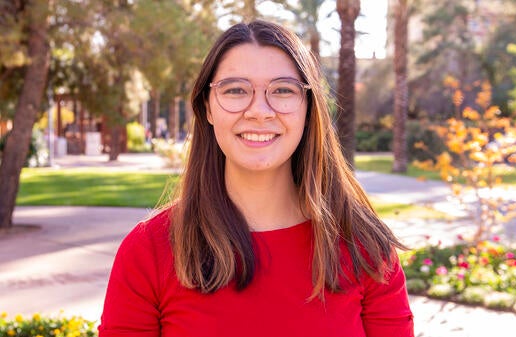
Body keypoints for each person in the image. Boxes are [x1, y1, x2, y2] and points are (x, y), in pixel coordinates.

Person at [98, 20, 414, 337]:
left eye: (282, 90)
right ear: (207, 108)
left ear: (308, 108)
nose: (259, 110)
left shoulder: (365, 249)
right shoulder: (149, 251)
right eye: (236, 90)